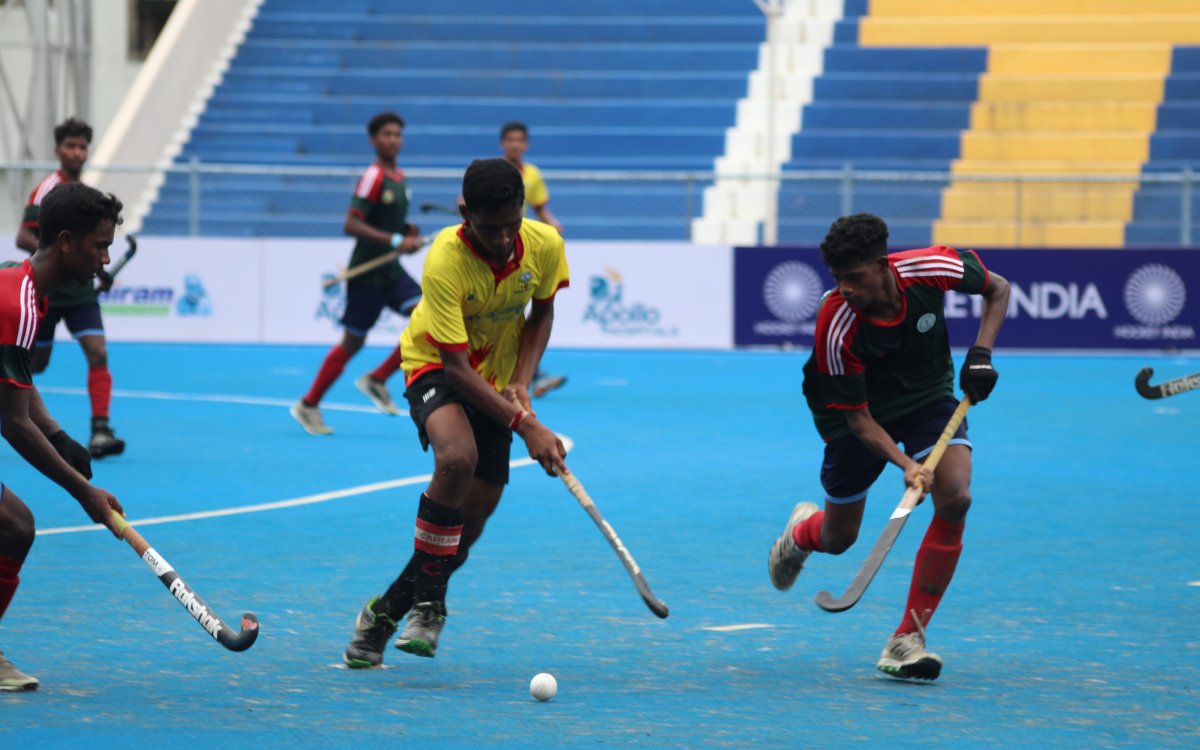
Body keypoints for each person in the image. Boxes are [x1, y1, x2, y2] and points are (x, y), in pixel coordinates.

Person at [342, 158, 569, 667]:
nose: (504, 239)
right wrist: (526, 425)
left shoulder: (545, 243)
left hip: (498, 377)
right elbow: (457, 368)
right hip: (437, 366)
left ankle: (383, 615)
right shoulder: (445, 258)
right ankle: (431, 605)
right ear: (466, 214)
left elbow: (542, 312)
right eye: (491, 228)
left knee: (469, 526)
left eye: (512, 224)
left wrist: (521, 382)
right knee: (456, 458)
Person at [767, 213, 1010, 682]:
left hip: (927, 396)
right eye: (837, 278)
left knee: (955, 496)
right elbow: (859, 419)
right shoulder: (836, 321)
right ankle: (801, 534)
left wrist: (980, 354)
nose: (845, 288)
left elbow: (997, 288)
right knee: (839, 538)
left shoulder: (930, 268)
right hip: (855, 414)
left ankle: (907, 638)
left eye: (854, 277)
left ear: (882, 265)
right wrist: (905, 465)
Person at [0, 182, 127, 691]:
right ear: (68, 242)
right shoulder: (20, 302)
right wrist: (84, 492)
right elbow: (12, 422)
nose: (106, 259)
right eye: (101, 246)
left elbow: (17, 382)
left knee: (13, 526)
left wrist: (58, 435)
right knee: (14, 525)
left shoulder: (22, 285)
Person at [290, 111, 425, 435]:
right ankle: (308, 404)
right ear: (373, 139)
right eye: (386, 134)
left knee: (429, 317)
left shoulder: (401, 179)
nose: (393, 140)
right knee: (352, 343)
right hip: (367, 274)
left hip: (391, 269)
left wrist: (406, 233)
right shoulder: (373, 177)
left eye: (397, 134)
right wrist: (396, 240)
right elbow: (351, 224)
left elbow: (388, 222)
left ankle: (378, 378)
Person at [15, 117, 124, 459]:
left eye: (82, 147)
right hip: (49, 290)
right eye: (70, 146)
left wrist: (96, 270)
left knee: (98, 353)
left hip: (80, 293)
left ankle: (101, 428)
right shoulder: (46, 190)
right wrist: (61, 256)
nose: (77, 153)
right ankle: (19, 415)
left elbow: (87, 243)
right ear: (58, 150)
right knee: (34, 364)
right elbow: (24, 236)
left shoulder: (87, 194)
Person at [499, 121, 566, 398]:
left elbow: (540, 209)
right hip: (496, 246)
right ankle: (531, 374)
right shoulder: (494, 171)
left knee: (519, 309)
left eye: (519, 140)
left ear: (525, 145)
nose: (515, 145)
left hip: (521, 247)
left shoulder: (533, 175)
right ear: (503, 143)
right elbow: (466, 200)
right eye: (510, 140)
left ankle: (530, 374)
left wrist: (553, 225)